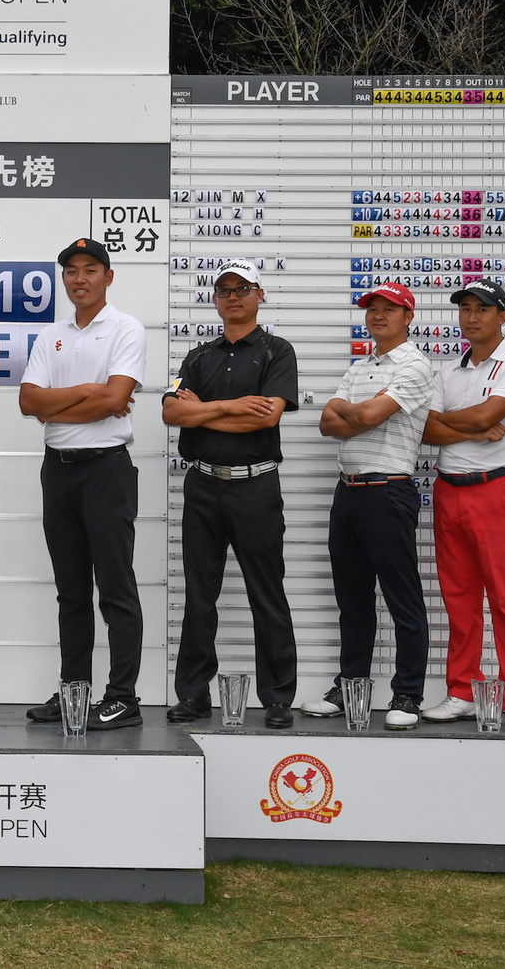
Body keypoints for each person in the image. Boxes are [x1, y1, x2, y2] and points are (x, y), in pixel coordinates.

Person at [161, 258, 299, 728]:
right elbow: (172, 414)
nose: (233, 296)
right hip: (203, 484)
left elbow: (266, 417)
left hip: (256, 485)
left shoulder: (278, 352)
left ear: (260, 295)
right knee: (200, 594)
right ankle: (194, 694)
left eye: (243, 288)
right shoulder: (198, 356)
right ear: (215, 299)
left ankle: (278, 697)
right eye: (224, 289)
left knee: (267, 592)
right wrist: (231, 406)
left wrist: (205, 410)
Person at [19, 238, 147, 730]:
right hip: (59, 470)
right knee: (70, 591)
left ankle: (123, 698)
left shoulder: (126, 329)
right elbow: (30, 402)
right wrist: (90, 393)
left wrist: (67, 401)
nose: (79, 279)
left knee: (115, 588)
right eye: (70, 271)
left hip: (106, 469)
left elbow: (116, 399)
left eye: (90, 269)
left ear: (108, 277)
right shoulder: (52, 335)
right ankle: (74, 691)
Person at [306, 282, 435, 730]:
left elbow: (361, 418)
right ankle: (350, 685)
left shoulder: (416, 365)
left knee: (403, 599)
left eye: (389, 309)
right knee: (353, 598)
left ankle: (407, 695)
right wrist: (345, 410)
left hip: (388, 490)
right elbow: (327, 424)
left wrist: (346, 409)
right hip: (349, 492)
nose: (378, 315)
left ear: (408, 317)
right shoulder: (361, 366)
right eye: (372, 309)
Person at [420, 280, 505, 733]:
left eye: (483, 309)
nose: (472, 317)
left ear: (502, 316)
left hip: (496, 490)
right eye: (465, 308)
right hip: (449, 490)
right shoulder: (446, 372)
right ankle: (461, 692)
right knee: (459, 600)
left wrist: (466, 421)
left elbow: (486, 417)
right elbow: (424, 431)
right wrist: (469, 428)